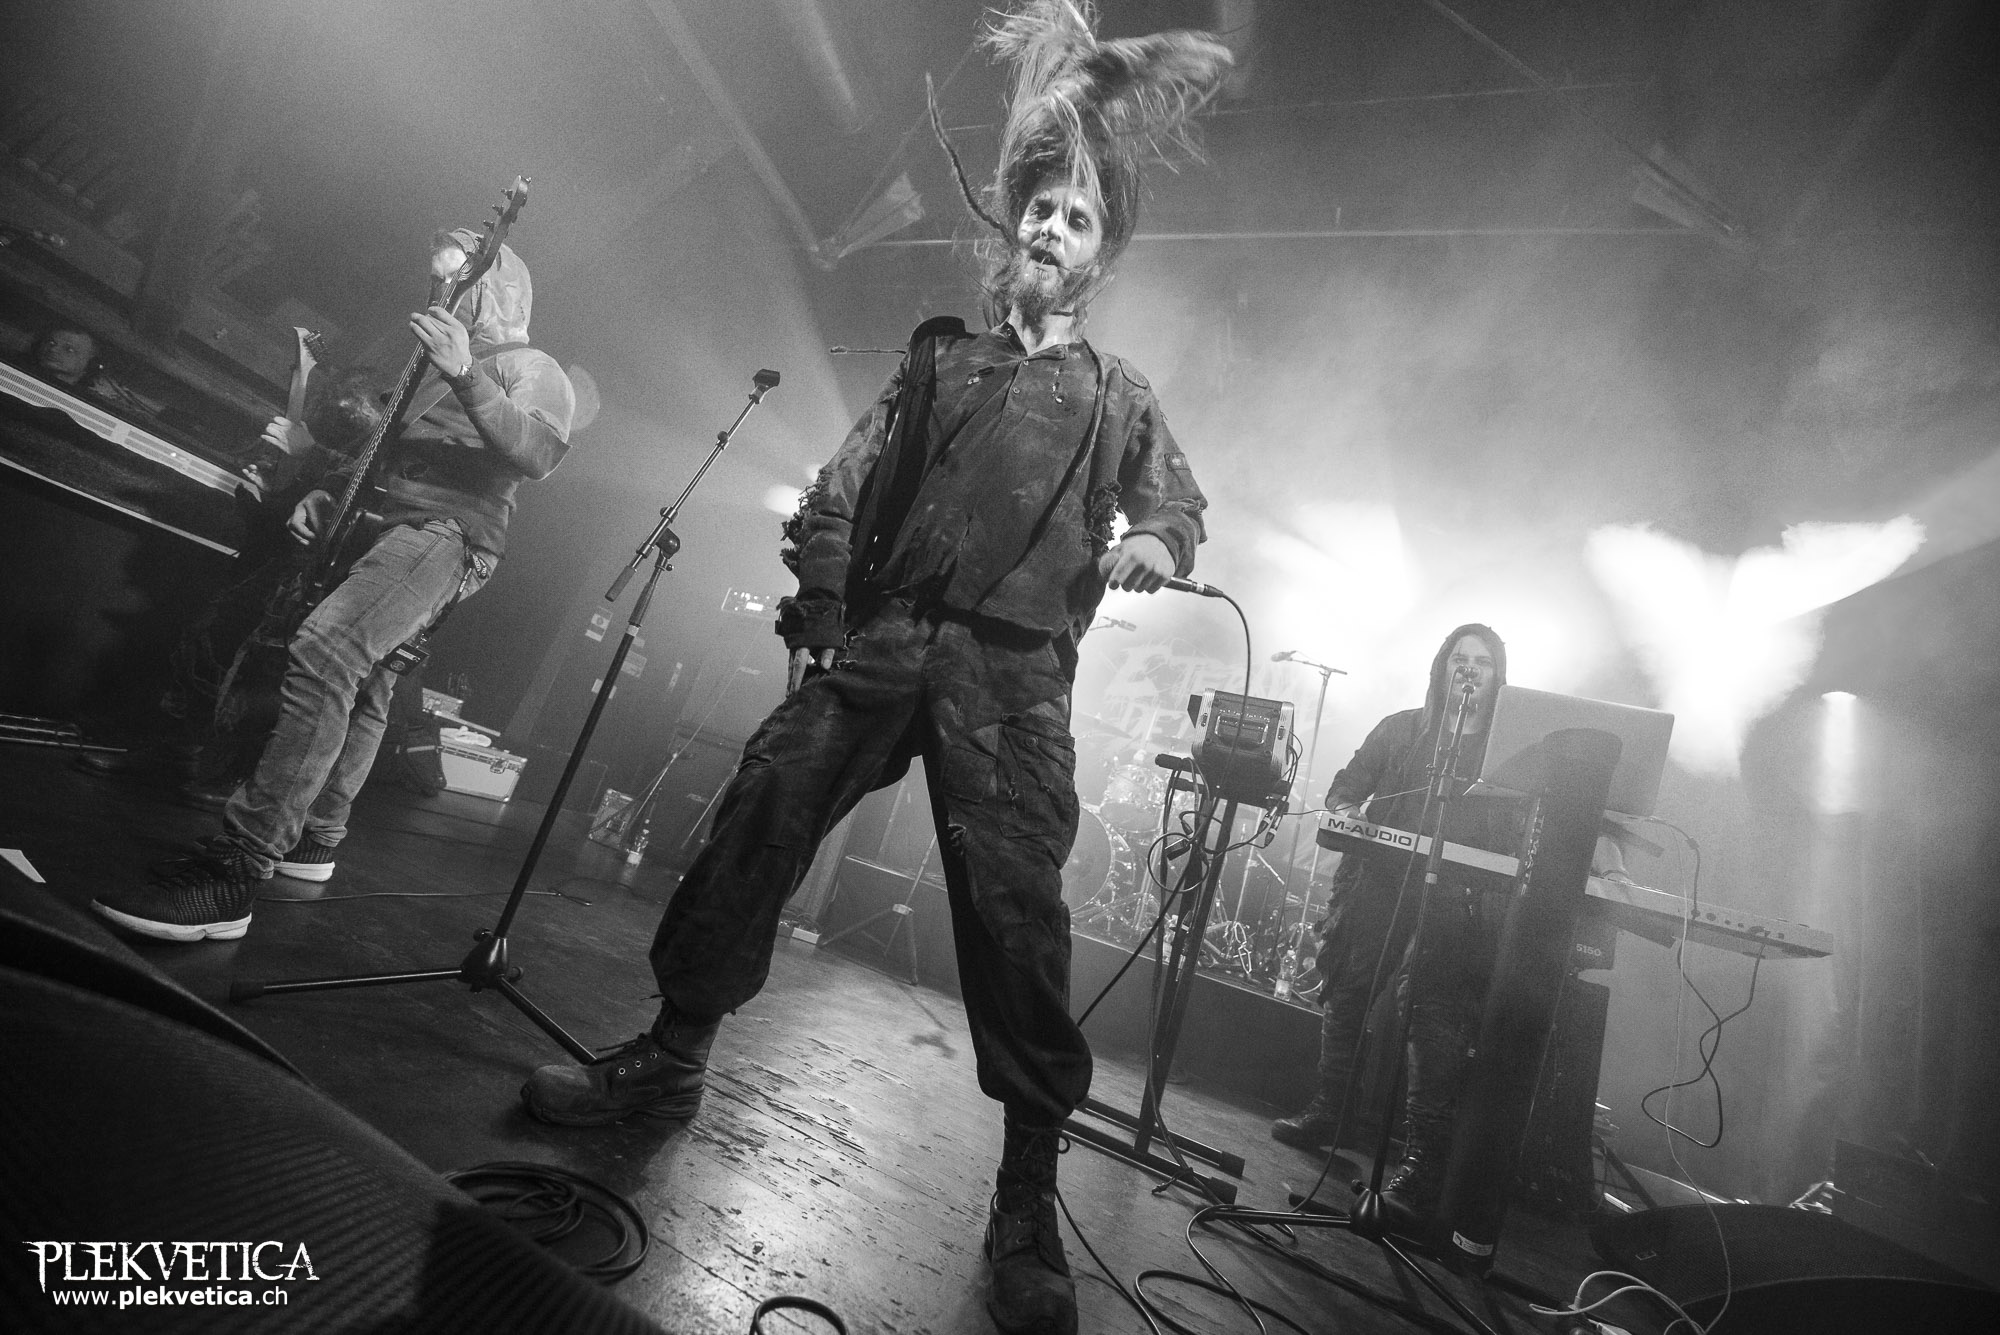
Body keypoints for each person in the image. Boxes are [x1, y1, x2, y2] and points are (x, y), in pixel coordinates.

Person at [521, 7, 1228, 1333]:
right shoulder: (938, 357)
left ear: (1099, 253)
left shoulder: (1119, 394)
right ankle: (668, 1061)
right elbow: (839, 488)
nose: (1050, 229)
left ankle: (1026, 1197)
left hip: (1013, 684)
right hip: (888, 639)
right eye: (1040, 209)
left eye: (1076, 220)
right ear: (1013, 223)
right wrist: (827, 607)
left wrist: (1153, 539)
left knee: (1017, 924)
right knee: (760, 809)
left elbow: (1177, 506)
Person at [91, 230, 575, 941]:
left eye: (462, 279)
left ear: (498, 289)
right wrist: (332, 492)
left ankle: (235, 870)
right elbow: (385, 454)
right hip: (387, 523)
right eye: (440, 277)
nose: (445, 290)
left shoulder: (533, 366)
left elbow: (537, 453)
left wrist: (468, 373)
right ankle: (317, 836)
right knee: (370, 681)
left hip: (450, 531)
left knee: (327, 648)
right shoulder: (430, 370)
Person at [1271, 626, 1510, 1159]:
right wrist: (1348, 810)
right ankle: (1330, 1113)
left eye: (1482, 661)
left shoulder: (1503, 754)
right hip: (1379, 877)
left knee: (1432, 1008)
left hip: (1455, 895)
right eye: (1459, 657)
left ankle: (1422, 1154)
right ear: (1441, 667)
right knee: (1351, 989)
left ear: (1498, 677)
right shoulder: (1402, 729)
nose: (1469, 668)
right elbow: (1346, 785)